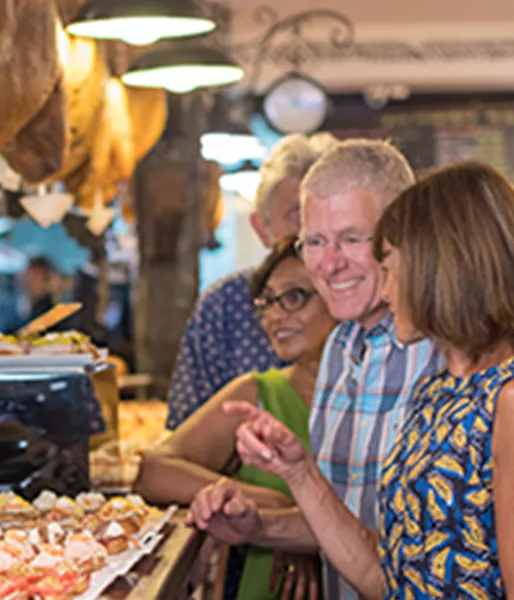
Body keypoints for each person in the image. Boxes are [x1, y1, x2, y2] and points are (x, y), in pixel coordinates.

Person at [199, 162, 514, 599]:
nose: (385, 290)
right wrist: (298, 471)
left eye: (392, 267)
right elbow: (388, 576)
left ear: (439, 270)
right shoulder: (437, 391)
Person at [188, 140, 443, 600]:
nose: (328, 264)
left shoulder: (448, 354)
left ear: (401, 237)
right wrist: (256, 525)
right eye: (315, 242)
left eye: (350, 239)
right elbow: (344, 528)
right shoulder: (340, 348)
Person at [137, 236, 336, 600]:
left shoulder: (374, 401)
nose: (274, 316)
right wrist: (274, 506)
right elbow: (153, 470)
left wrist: (304, 535)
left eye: (294, 298)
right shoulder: (257, 394)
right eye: (267, 303)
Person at [167, 134, 336, 429]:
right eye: (298, 217)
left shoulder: (371, 302)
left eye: (326, 217)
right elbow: (183, 429)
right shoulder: (225, 306)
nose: (313, 234)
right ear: (262, 228)